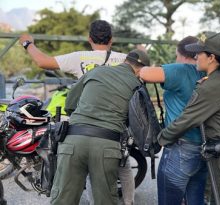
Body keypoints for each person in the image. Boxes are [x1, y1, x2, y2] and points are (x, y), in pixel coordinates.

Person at [19, 20, 135, 205]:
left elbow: (42, 62)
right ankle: (128, 202)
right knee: (121, 165)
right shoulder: (126, 60)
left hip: (80, 127)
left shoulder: (79, 57)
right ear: (111, 39)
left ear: (89, 38)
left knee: (80, 175)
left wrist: (28, 43)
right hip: (113, 129)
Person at [157, 32, 220, 205]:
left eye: (199, 53)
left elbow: (185, 120)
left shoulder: (210, 86)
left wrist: (160, 139)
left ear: (211, 58)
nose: (195, 57)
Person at [50, 49, 150, 205]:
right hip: (107, 146)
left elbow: (70, 103)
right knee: (105, 200)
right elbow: (137, 122)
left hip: (74, 140)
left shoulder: (96, 71)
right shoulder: (137, 85)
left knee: (63, 199)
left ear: (125, 60)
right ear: (141, 69)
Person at [139, 36, 208, 205]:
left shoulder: (182, 69)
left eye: (177, 55)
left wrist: (141, 54)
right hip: (204, 147)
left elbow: (144, 73)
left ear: (184, 55)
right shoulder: (209, 73)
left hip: (181, 147)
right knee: (196, 199)